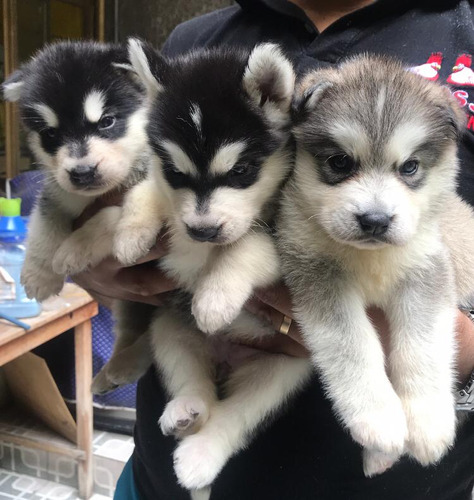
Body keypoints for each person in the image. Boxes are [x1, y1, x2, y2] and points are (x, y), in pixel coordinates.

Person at [74, 1, 474, 498]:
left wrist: (451, 358)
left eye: (409, 169)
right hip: (158, 477)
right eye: (338, 165)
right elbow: (123, 175)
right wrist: (88, 255)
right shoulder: (194, 39)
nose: (375, 208)